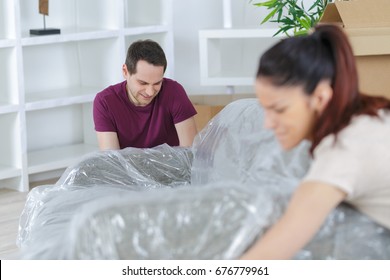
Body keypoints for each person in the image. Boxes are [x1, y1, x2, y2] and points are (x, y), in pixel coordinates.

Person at [241, 24, 390, 259]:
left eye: (279, 109)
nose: (267, 124)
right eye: (265, 109)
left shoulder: (346, 150)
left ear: (320, 97)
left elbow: (271, 253)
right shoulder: (369, 117)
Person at [93, 39, 198, 150]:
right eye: (143, 83)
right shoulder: (105, 102)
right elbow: (113, 160)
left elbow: (190, 152)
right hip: (126, 167)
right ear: (125, 72)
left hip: (173, 167)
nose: (150, 92)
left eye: (157, 83)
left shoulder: (174, 92)